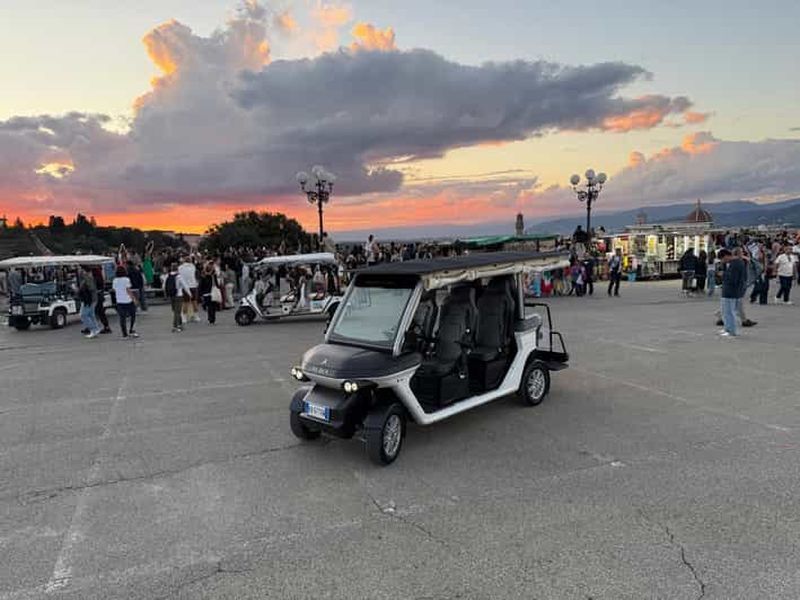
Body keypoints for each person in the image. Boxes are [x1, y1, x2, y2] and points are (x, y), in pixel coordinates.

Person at [719, 248, 745, 337]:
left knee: (729, 312)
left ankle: (732, 330)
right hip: (734, 291)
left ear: (726, 256)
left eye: (722, 259)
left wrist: (723, 274)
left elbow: (733, 279)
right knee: (726, 311)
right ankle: (727, 328)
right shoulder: (738, 263)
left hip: (731, 291)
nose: (723, 261)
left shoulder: (735, 264)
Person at [112, 265, 139, 338]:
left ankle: (124, 334)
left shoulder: (115, 280)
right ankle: (131, 330)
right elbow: (128, 290)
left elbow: (114, 290)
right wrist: (134, 298)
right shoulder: (126, 279)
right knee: (132, 315)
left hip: (120, 301)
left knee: (122, 318)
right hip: (128, 300)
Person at [164, 262, 191, 332]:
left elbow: (164, 285)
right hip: (178, 295)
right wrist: (190, 293)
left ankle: (180, 324)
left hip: (171, 295)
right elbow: (185, 286)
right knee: (178, 311)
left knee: (174, 310)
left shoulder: (168, 276)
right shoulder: (179, 276)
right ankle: (175, 326)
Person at [78, 265, 101, 339]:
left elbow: (90, 288)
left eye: (80, 269)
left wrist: (77, 289)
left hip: (89, 299)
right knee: (91, 315)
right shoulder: (88, 278)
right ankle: (96, 328)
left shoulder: (87, 278)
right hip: (92, 298)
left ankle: (93, 329)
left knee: (83, 315)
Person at [178, 256, 200, 323]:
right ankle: (196, 316)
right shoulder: (193, 267)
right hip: (193, 286)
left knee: (185, 302)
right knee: (194, 301)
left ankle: (184, 317)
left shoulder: (180, 267)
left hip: (185, 286)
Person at [92, 267, 112, 334]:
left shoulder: (95, 278)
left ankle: (105, 326)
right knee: (99, 311)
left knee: (98, 311)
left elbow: (94, 287)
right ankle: (105, 326)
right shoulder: (99, 277)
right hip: (99, 295)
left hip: (97, 296)